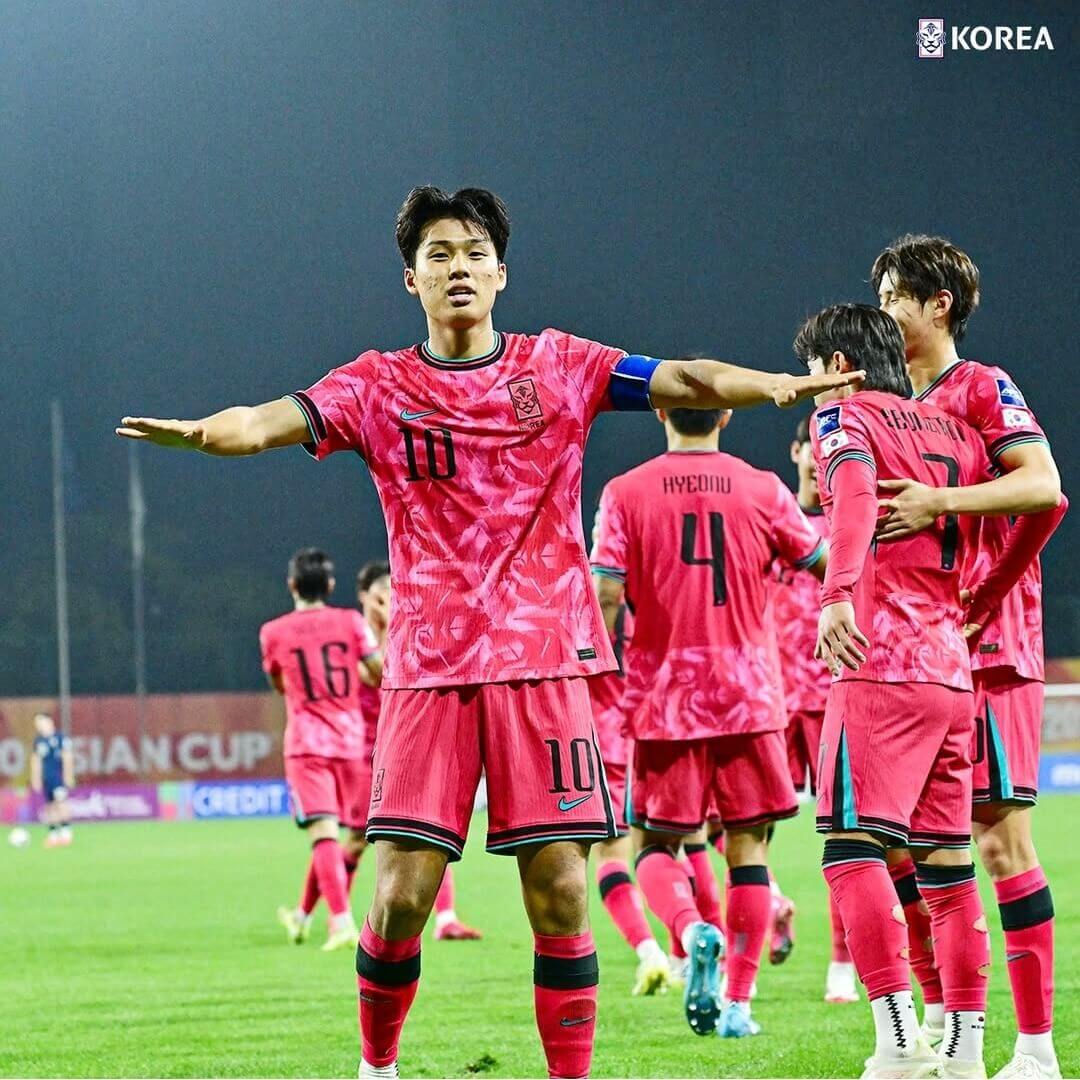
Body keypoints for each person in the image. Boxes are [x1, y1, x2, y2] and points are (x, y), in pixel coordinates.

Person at [117, 184, 862, 1079]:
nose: (459, 268)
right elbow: (266, 421)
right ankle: (378, 1068)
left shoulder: (561, 365)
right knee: (400, 897)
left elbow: (687, 379)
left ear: (502, 273)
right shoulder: (376, 385)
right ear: (412, 279)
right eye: (439, 255)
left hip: (542, 667)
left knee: (562, 891)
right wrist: (205, 434)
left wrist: (775, 386)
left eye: (475, 253)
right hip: (428, 671)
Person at [799, 303, 1060, 1079]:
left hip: (878, 660)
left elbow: (852, 498)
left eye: (811, 371)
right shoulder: (955, 433)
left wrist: (837, 594)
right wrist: (987, 597)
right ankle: (966, 1052)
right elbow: (1043, 503)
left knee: (850, 851)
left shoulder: (843, 415)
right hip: (951, 670)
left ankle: (897, 1044)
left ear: (838, 366)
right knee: (948, 869)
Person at [872, 236, 1067, 1080]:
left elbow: (1043, 487)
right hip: (917, 652)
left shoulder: (981, 386)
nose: (884, 310)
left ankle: (1035, 1049)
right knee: (908, 852)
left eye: (894, 296)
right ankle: (942, 1033)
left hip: (988, 650)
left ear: (937, 303)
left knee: (999, 843)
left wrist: (949, 517)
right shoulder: (891, 404)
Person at [591, 404, 827, 1039]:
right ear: (724, 414)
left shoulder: (624, 492)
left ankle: (691, 928)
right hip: (751, 697)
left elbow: (606, 593)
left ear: (661, 409)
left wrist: (601, 669)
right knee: (748, 852)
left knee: (652, 847)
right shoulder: (764, 488)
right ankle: (739, 1005)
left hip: (666, 700)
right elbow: (824, 564)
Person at [770, 416, 856, 1004]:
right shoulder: (773, 518)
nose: (818, 457)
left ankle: (841, 969)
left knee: (846, 833)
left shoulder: (851, 521)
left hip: (834, 694)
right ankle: (771, 900)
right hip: (771, 699)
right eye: (812, 447)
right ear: (797, 450)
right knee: (730, 826)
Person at [263, 548, 382, 952]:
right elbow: (378, 672)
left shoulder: (273, 632)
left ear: (292, 585)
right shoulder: (350, 622)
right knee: (349, 836)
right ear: (330, 585)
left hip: (307, 744)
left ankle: (341, 922)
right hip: (351, 742)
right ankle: (302, 915)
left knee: (323, 833)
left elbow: (279, 683)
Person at [356, 560, 482, 942]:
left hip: (406, 745)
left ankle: (446, 918)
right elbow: (377, 674)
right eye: (380, 595)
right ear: (365, 598)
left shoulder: (411, 626)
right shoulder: (357, 636)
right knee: (351, 839)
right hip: (364, 749)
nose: (387, 599)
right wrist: (382, 630)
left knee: (429, 832)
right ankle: (330, 913)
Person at [31, 712, 74, 847]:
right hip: (46, 779)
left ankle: (66, 833)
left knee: (61, 803)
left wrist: (68, 776)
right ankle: (53, 835)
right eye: (37, 723)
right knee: (50, 806)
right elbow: (36, 760)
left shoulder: (60, 738)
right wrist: (36, 778)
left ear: (49, 721)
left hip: (58, 777)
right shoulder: (38, 741)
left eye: (40, 722)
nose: (38, 725)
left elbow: (67, 757)